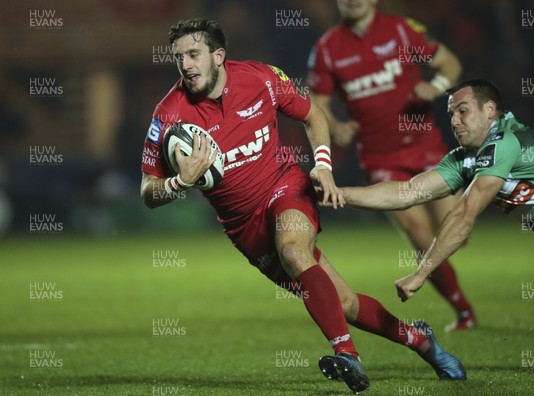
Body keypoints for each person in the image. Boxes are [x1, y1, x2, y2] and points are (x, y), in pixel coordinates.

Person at [139, 18, 466, 394]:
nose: (186, 65)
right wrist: (180, 181)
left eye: (194, 54)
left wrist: (323, 165)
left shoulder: (261, 78)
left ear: (219, 55)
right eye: (178, 57)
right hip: (245, 228)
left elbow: (312, 114)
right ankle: (420, 339)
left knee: (294, 250)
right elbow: (148, 192)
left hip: (286, 186)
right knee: (343, 302)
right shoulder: (168, 115)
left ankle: (348, 356)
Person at [326, 79, 534, 353]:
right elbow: (407, 193)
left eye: (463, 111)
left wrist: (422, 273)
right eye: (451, 114)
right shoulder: (466, 158)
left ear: (490, 110)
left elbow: (465, 216)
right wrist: (337, 193)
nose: (455, 121)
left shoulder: (505, 141)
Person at [307, 0, 476, 331]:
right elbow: (317, 104)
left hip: (427, 148)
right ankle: (463, 310)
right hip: (379, 158)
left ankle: (458, 303)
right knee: (420, 235)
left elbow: (449, 64)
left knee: (455, 231)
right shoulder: (328, 48)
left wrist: (438, 87)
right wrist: (336, 125)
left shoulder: (401, 30)